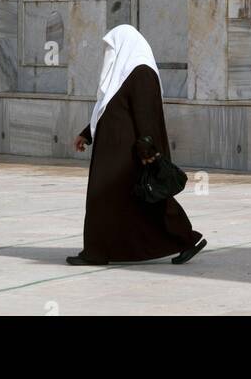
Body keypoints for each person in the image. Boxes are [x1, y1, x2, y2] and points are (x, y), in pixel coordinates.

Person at [66, 24, 206, 266]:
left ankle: (98, 252)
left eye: (112, 48)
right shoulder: (123, 74)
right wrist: (86, 134)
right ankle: (102, 250)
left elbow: (147, 114)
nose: (108, 54)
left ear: (125, 46)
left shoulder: (140, 72)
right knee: (132, 204)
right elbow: (107, 109)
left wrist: (148, 152)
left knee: (135, 199)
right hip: (116, 154)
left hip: (129, 156)